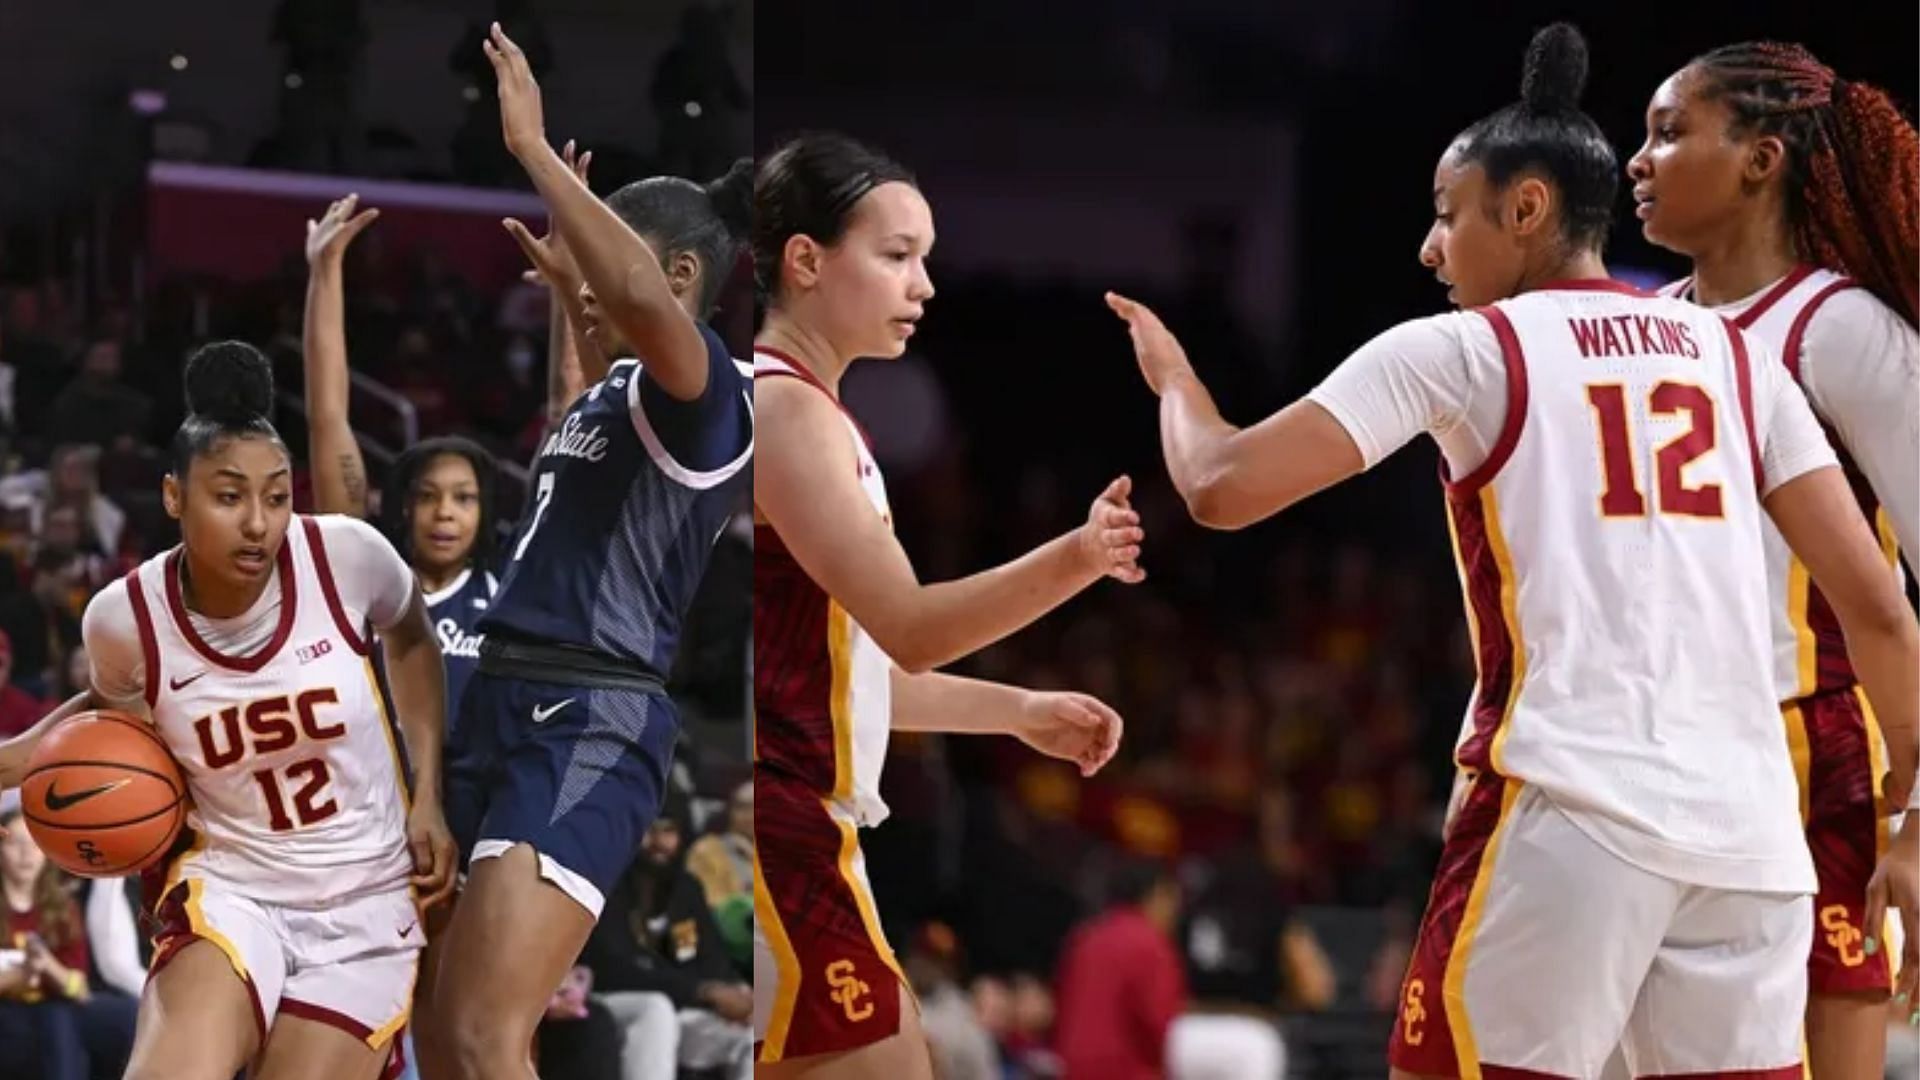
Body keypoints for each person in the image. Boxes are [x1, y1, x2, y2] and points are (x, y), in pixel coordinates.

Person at [1106, 23, 1920, 1079]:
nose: (1430, 249)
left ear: (1526, 208)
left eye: (1447, 216)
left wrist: (1177, 381)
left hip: (1571, 811)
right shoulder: (1735, 354)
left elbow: (1220, 486)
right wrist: (1909, 812)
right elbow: (1884, 609)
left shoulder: (1463, 348)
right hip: (1752, 843)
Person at [752, 130, 1135, 1079]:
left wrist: (1016, 713)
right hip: (776, 816)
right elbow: (913, 628)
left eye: (925, 259)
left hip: (799, 815)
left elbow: (854, 674)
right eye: (896, 256)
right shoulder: (787, 411)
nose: (923, 286)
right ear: (805, 260)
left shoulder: (809, 411)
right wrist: (1080, 556)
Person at [424, 24, 754, 1079]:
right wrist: (572, 298)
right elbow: (588, 395)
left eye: (622, 267)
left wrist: (529, 152)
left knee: (483, 1038)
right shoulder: (618, 392)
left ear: (684, 274)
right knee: (441, 1038)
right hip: (504, 700)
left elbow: (647, 308)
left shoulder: (711, 396)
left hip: (588, 722)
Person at [0, 341, 455, 1080]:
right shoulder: (124, 621)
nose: (258, 522)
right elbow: (103, 738)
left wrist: (427, 793)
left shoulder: (345, 557)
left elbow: (410, 639)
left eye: (277, 496)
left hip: (369, 902)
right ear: (175, 496)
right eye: (229, 495)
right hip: (234, 887)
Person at [1627, 42, 1920, 1072]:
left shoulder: (1840, 331)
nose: (1638, 160)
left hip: (1818, 752)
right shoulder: (1643, 331)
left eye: (1669, 132)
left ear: (1761, 159)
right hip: (1655, 754)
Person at [582, 805, 753, 1080]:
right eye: (649, 830)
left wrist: (736, 992)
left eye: (668, 831)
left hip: (682, 1007)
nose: (659, 842)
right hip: (607, 1002)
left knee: (752, 1036)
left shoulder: (685, 889)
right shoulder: (606, 883)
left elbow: (707, 957)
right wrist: (703, 990)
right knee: (655, 1008)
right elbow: (615, 969)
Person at [1053, 860, 1187, 1080]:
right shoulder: (1151, 945)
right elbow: (1159, 1024)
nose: (1175, 915)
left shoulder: (1085, 938)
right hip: (1128, 1071)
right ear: (1158, 895)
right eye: (1173, 902)